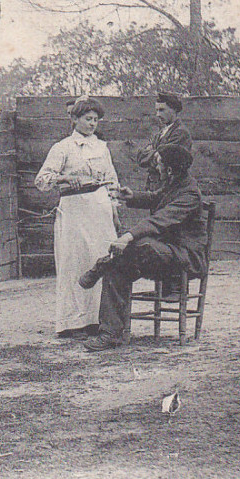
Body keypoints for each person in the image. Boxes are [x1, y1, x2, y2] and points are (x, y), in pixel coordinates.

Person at [78, 144, 206, 352]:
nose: (156, 168)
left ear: (170, 170)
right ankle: (110, 334)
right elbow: (156, 197)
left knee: (139, 244)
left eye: (159, 164)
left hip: (185, 257)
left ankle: (99, 266)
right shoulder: (175, 183)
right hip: (164, 252)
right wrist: (132, 197)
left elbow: (159, 220)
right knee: (118, 266)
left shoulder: (190, 194)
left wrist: (127, 236)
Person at [34, 97, 120, 339]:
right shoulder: (63, 148)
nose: (92, 124)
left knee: (100, 259)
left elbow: (112, 181)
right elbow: (41, 180)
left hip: (99, 208)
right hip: (74, 210)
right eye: (87, 119)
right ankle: (73, 323)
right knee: (75, 262)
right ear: (74, 119)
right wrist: (62, 179)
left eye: (95, 120)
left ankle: (97, 320)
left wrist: (114, 208)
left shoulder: (102, 147)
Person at [137, 92, 192, 192]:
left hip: (169, 188)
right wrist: (155, 154)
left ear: (174, 109)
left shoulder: (180, 133)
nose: (158, 114)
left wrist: (152, 152)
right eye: (157, 110)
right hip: (154, 187)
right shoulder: (160, 133)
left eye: (162, 110)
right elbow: (141, 157)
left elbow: (165, 159)